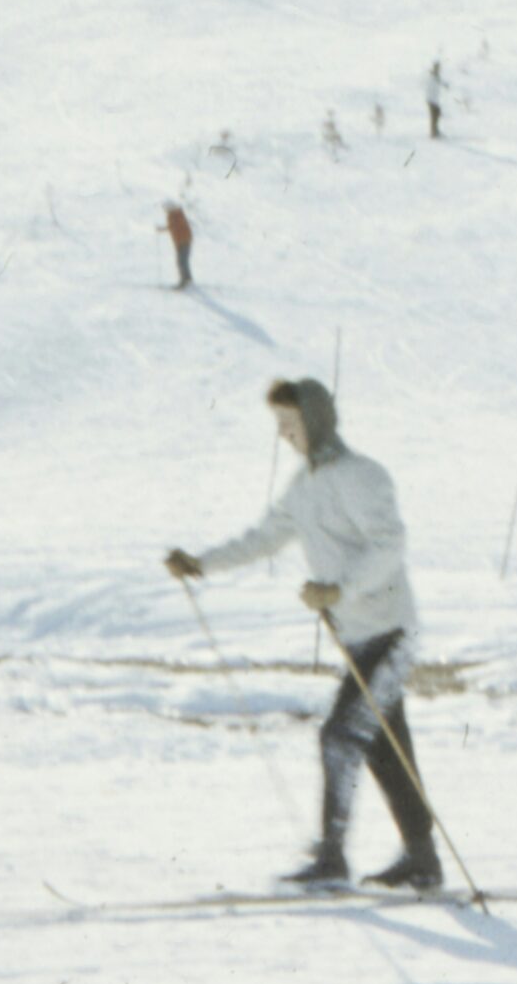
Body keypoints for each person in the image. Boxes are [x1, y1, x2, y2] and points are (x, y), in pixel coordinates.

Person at [165, 380, 439, 890]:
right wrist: (202, 564)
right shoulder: (304, 487)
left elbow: (389, 545)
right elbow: (264, 538)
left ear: (315, 422)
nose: (284, 436)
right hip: (358, 635)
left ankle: (334, 857)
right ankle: (422, 859)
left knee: (341, 735)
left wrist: (338, 590)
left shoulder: (361, 476)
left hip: (391, 633)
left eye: (289, 425)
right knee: (382, 745)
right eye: (279, 426)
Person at [163, 201, 193, 289]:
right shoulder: (176, 215)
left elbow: (175, 226)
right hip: (183, 240)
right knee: (183, 260)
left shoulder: (175, 215)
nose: (165, 211)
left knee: (181, 261)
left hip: (183, 240)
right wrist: (163, 229)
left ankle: (184, 280)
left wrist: (167, 227)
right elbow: (172, 226)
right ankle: (187, 278)